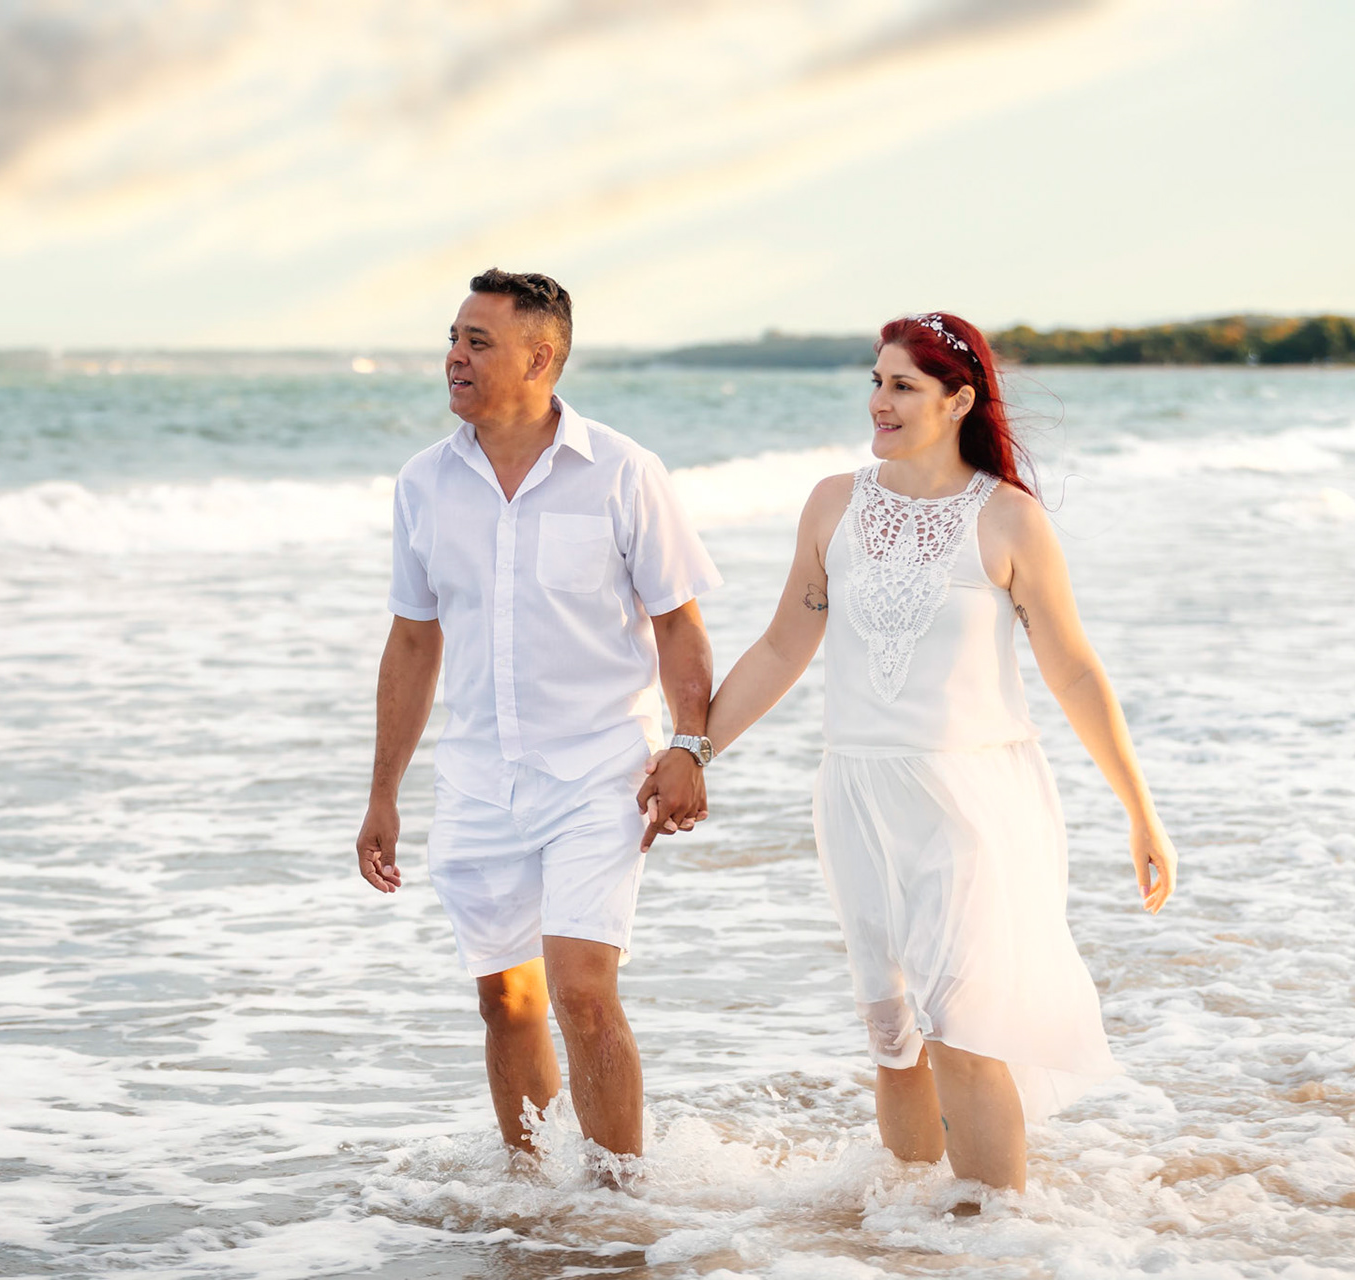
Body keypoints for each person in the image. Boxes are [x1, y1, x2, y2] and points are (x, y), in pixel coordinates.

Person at [695, 312, 1176, 1194]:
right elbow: (780, 649)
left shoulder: (1008, 519)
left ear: (959, 400)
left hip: (971, 799)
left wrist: (1139, 811)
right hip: (856, 796)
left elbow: (1072, 669)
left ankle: (997, 1239)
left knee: (962, 1025)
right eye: (876, 381)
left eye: (902, 386)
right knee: (895, 1038)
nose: (879, 402)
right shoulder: (832, 504)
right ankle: (913, 1237)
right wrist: (692, 750)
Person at [355, 269, 721, 1175]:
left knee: (583, 992)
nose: (454, 357)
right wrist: (382, 795)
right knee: (505, 1001)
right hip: (479, 778)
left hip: (599, 768)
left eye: (478, 342)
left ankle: (617, 1206)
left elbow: (679, 623)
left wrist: (689, 746)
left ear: (541, 356)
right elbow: (411, 643)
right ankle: (536, 1194)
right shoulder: (424, 484)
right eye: (453, 337)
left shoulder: (624, 472)